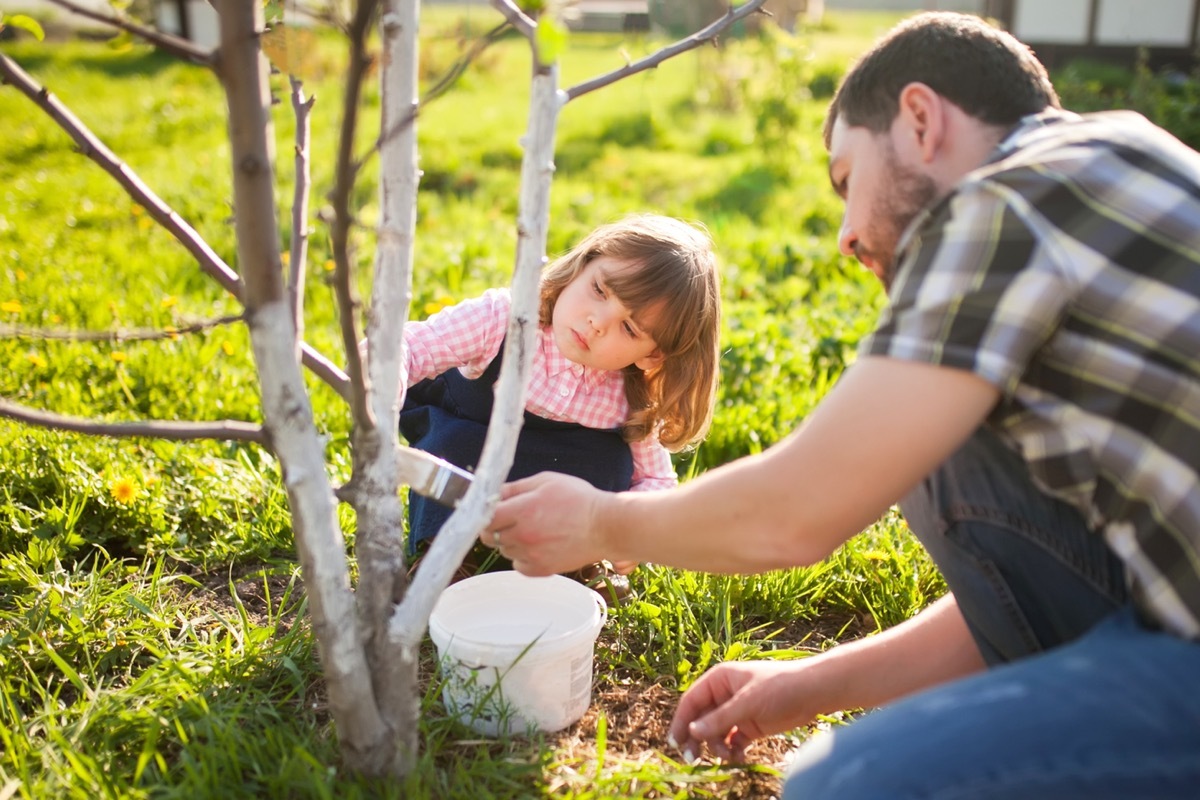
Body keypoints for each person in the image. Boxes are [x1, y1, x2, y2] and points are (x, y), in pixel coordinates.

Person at [486, 11, 1200, 798]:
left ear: (921, 121)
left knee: (838, 787)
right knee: (949, 451)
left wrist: (595, 522)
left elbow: (795, 514)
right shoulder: (1128, 157)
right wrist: (799, 688)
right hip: (1168, 611)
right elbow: (1054, 582)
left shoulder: (1006, 201)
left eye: (845, 179)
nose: (846, 238)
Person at [400, 213, 720, 602]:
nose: (597, 321)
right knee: (451, 446)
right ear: (582, 266)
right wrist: (382, 371)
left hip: (555, 493)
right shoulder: (504, 319)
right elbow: (414, 346)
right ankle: (446, 558)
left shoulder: (632, 396)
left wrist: (630, 530)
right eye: (600, 290)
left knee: (611, 465)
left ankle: (579, 565)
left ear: (651, 355)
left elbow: (655, 481)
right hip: (473, 453)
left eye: (630, 328)